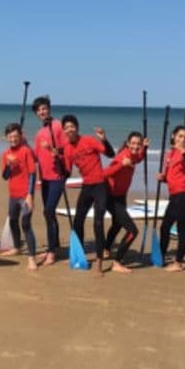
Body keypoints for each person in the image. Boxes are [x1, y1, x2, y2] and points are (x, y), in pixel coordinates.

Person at [61, 114, 115, 275]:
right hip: (87, 187)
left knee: (98, 223)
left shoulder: (89, 141)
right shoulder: (68, 149)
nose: (69, 129)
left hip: (100, 186)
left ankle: (99, 260)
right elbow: (67, 171)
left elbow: (110, 154)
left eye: (72, 126)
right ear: (64, 130)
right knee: (78, 221)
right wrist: (57, 159)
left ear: (77, 128)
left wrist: (104, 139)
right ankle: (79, 254)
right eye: (66, 127)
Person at [103, 131, 148, 273]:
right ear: (128, 143)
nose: (136, 146)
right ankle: (117, 261)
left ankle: (106, 248)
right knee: (132, 231)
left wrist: (145, 148)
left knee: (117, 223)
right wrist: (121, 165)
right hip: (110, 196)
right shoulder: (123, 156)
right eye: (133, 143)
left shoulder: (134, 155)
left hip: (121, 196)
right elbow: (104, 173)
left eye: (138, 144)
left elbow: (139, 158)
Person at [31, 96, 67, 266]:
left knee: (48, 211)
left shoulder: (58, 126)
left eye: (44, 108)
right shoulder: (39, 133)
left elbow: (68, 149)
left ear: (49, 108)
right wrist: (22, 142)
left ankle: (51, 252)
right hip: (44, 178)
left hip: (57, 177)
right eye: (38, 110)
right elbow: (35, 157)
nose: (41, 112)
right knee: (49, 213)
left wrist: (56, 151)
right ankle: (55, 245)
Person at [157, 126, 185, 272]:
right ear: (173, 136)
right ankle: (161, 255)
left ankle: (179, 262)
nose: (183, 140)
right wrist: (163, 178)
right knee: (165, 227)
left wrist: (184, 153)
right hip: (174, 195)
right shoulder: (170, 154)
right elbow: (171, 177)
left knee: (181, 229)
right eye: (180, 136)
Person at [0, 123, 38, 270]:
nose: (13, 139)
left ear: (20, 136)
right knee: (13, 221)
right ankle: (17, 247)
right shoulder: (5, 154)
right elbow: (4, 176)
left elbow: (32, 174)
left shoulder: (26, 151)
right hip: (13, 195)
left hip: (25, 195)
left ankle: (32, 258)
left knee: (26, 223)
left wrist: (30, 194)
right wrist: (9, 166)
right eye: (10, 136)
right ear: (7, 137)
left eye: (16, 136)